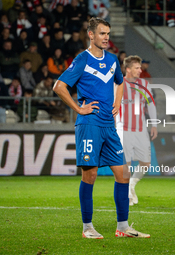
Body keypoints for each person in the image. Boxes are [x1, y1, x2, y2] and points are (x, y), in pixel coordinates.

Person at [53, 17, 150, 239]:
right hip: (89, 125)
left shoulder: (114, 60)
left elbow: (120, 81)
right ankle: (87, 227)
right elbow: (59, 86)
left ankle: (123, 227)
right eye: (102, 33)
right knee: (90, 175)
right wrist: (78, 108)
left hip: (109, 125)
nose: (107, 37)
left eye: (108, 33)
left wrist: (117, 101)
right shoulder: (81, 60)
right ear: (91, 35)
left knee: (123, 174)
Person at [115, 55, 157, 206]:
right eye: (137, 68)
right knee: (125, 164)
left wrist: (154, 124)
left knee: (146, 163)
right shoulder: (118, 84)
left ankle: (131, 185)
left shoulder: (145, 83)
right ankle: (127, 194)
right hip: (123, 129)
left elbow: (151, 104)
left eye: (140, 67)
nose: (140, 70)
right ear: (128, 69)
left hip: (141, 129)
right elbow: (113, 106)